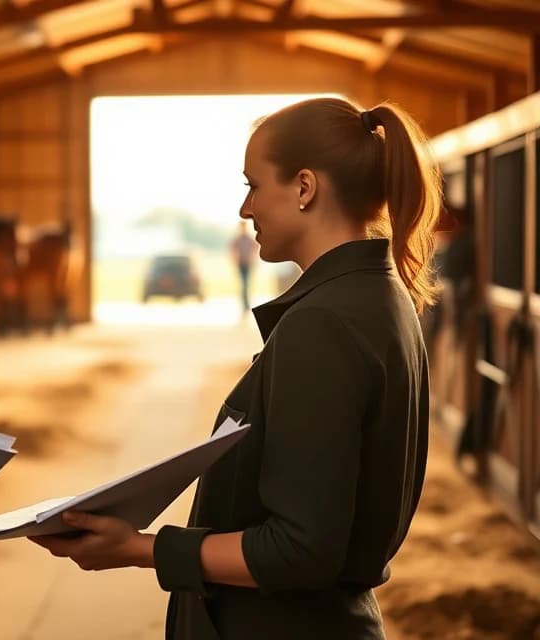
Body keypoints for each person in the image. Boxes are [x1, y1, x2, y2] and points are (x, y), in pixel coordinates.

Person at [29, 97, 438, 639]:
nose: (246, 210)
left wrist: (140, 549)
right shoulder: (379, 297)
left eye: (252, 186)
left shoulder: (324, 324)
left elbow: (300, 550)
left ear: (304, 188)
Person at [230, 220, 259, 312]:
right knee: (243, 284)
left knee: (246, 283)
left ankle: (246, 304)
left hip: (248, 264)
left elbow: (256, 248)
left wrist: (253, 259)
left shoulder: (249, 239)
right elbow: (232, 250)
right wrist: (235, 259)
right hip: (240, 264)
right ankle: (245, 304)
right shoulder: (238, 239)